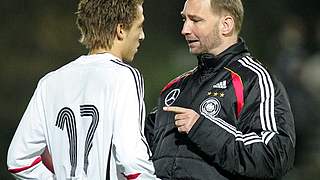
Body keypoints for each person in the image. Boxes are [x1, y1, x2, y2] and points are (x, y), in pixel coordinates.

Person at [7, 0, 158, 179]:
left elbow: (18, 161)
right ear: (120, 29)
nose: (142, 36)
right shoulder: (123, 76)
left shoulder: (49, 83)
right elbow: (131, 158)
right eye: (139, 26)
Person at [144, 0, 295, 179]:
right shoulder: (173, 89)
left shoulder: (253, 80)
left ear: (226, 25)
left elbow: (275, 155)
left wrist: (202, 129)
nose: (185, 29)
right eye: (184, 19)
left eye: (195, 20)